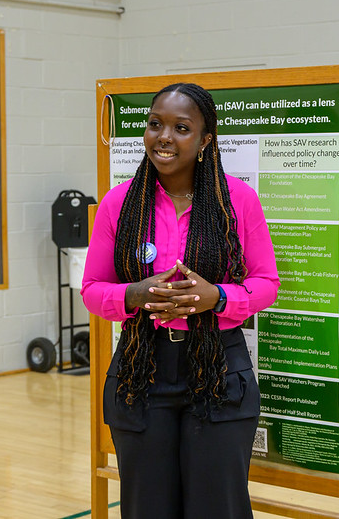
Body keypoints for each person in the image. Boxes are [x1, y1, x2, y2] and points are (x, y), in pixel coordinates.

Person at [81, 82, 279, 518]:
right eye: (155, 124)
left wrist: (217, 297)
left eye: (181, 127)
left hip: (218, 373)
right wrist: (136, 293)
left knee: (217, 508)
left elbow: (266, 283)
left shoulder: (237, 201)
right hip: (140, 372)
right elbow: (93, 290)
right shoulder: (120, 204)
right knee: (146, 508)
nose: (164, 136)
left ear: (206, 140)